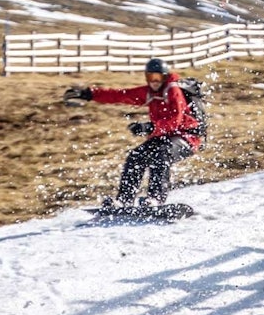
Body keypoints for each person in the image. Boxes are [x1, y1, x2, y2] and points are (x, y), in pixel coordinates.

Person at [64, 58, 203, 209]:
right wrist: (90, 94)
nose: (155, 81)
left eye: (158, 77)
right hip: (163, 136)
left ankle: (155, 199)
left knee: (161, 155)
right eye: (151, 77)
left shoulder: (173, 91)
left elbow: (175, 120)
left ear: (164, 78)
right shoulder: (149, 92)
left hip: (186, 138)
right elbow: (121, 95)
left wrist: (150, 127)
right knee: (136, 156)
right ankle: (124, 200)